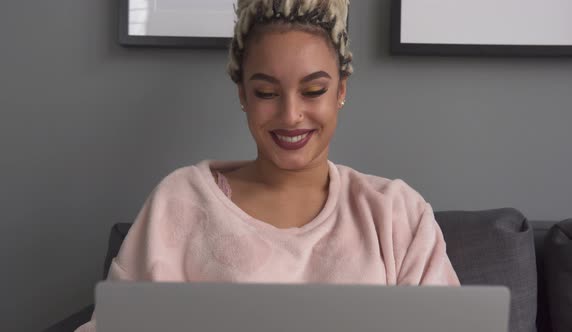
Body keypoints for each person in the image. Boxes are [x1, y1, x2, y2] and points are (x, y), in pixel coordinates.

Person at [74, 0, 459, 330]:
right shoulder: (181, 204)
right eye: (266, 93)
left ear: (340, 91)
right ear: (242, 94)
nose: (291, 115)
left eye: (313, 91)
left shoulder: (396, 215)